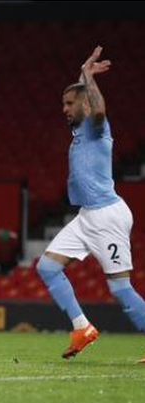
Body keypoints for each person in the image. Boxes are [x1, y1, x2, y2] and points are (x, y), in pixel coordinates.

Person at [36, 46, 145, 360]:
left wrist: (89, 80)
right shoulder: (81, 133)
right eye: (63, 104)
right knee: (48, 267)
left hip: (108, 216)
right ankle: (82, 327)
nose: (64, 109)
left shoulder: (97, 129)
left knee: (120, 289)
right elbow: (85, 103)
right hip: (87, 216)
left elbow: (97, 109)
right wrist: (82, 77)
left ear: (84, 102)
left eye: (70, 103)